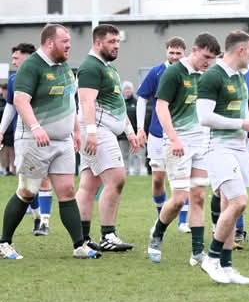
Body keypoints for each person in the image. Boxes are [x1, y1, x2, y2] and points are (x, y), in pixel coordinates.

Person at [0, 24, 102, 260]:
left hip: (63, 141)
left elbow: (69, 100)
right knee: (27, 191)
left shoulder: (64, 67)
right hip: (33, 141)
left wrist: (76, 130)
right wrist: (36, 127)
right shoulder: (31, 67)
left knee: (67, 190)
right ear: (49, 43)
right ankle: (4, 242)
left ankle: (79, 245)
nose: (69, 45)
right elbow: (20, 101)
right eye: (64, 41)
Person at [147, 32, 220, 265]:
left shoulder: (208, 76)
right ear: (194, 50)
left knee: (198, 196)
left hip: (202, 143)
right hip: (178, 143)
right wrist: (174, 139)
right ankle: (157, 232)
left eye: (212, 58)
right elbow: (161, 106)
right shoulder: (174, 72)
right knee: (179, 200)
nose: (208, 62)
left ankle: (197, 251)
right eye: (206, 57)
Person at [196, 30, 249, 284]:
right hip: (218, 148)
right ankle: (211, 258)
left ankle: (227, 265)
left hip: (239, 148)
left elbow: (244, 111)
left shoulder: (239, 77)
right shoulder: (213, 76)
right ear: (240, 50)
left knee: (229, 207)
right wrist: (241, 124)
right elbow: (205, 117)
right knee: (239, 202)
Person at [76, 23, 138, 251]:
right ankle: (108, 235)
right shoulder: (90, 67)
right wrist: (91, 132)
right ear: (98, 42)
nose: (116, 46)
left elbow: (118, 104)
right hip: (98, 130)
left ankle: (82, 238)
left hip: (102, 130)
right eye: (112, 42)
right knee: (116, 179)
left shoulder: (108, 68)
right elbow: (87, 102)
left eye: (118, 42)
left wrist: (129, 132)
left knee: (89, 185)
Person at [137, 37, 191, 234]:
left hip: (182, 134)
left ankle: (183, 221)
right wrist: (140, 128)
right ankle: (161, 217)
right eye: (171, 52)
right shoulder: (156, 72)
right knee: (158, 179)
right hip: (158, 135)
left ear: (184, 53)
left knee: (184, 178)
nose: (175, 56)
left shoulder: (190, 73)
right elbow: (142, 98)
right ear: (166, 52)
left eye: (178, 53)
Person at [0, 42, 55, 236]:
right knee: (25, 182)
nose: (13, 62)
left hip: (44, 134)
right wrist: (1, 130)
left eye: (16, 58)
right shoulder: (14, 79)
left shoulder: (46, 75)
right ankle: (37, 216)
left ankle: (45, 222)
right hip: (22, 137)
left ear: (28, 57)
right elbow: (11, 106)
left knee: (44, 177)